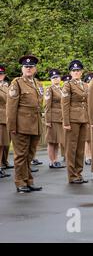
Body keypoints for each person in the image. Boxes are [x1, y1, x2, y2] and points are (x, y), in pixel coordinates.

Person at [7, 55, 44, 192]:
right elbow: (11, 107)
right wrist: (11, 127)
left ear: (35, 69)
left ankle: (28, 180)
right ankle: (20, 182)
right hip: (21, 125)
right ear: (22, 68)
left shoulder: (38, 84)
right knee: (21, 155)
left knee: (30, 154)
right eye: (26, 66)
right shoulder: (17, 83)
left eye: (31, 66)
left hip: (35, 125)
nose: (29, 69)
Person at [62, 60, 89, 184]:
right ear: (70, 72)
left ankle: (78, 173)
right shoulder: (68, 85)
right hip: (72, 120)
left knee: (80, 149)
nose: (76, 72)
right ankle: (71, 175)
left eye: (78, 70)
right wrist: (66, 122)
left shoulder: (85, 85)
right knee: (71, 148)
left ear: (82, 72)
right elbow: (65, 104)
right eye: (74, 70)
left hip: (83, 119)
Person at [44, 69, 65, 169]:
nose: (55, 79)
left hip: (60, 119)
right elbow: (47, 106)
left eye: (57, 77)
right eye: (53, 78)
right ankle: (52, 161)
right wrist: (47, 120)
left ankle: (56, 160)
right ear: (51, 80)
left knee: (57, 141)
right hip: (52, 118)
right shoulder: (49, 89)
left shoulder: (61, 89)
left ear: (60, 78)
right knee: (51, 141)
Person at [0, 65, 11, 178]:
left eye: (2, 74)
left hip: (5, 118)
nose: (1, 76)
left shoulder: (5, 86)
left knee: (2, 144)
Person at [83, 72, 93, 166]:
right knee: (87, 139)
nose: (89, 84)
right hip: (86, 117)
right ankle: (88, 156)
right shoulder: (84, 92)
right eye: (88, 82)